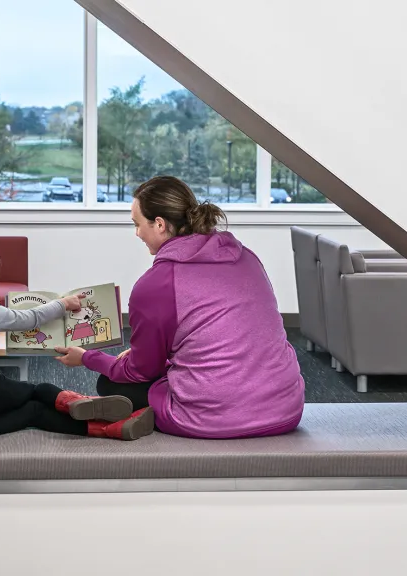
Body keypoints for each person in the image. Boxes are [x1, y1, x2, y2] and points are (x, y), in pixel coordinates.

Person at [55, 175, 305, 439]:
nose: (137, 233)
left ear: (160, 224)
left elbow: (140, 371)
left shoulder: (155, 285)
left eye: (137, 224)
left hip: (214, 417)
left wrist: (86, 358)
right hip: (286, 409)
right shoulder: (246, 256)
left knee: (110, 381)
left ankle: (139, 417)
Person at [0, 244, 155, 440]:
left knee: (33, 413)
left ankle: (111, 429)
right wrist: (63, 304)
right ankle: (84, 403)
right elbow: (31, 317)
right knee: (38, 391)